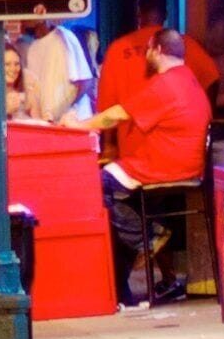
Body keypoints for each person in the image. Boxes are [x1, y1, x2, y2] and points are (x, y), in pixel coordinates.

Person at [91, 30, 213, 307]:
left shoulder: (165, 85)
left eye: (147, 51)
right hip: (189, 165)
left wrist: (76, 125)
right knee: (121, 196)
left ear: (157, 50)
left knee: (101, 181)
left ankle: (148, 236)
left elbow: (116, 115)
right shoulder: (189, 79)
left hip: (166, 166)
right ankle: (136, 257)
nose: (146, 56)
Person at [98, 0, 218, 114]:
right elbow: (212, 79)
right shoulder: (185, 44)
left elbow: (107, 103)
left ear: (138, 13)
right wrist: (206, 118)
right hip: (177, 130)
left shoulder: (118, 48)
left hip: (132, 131)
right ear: (165, 14)